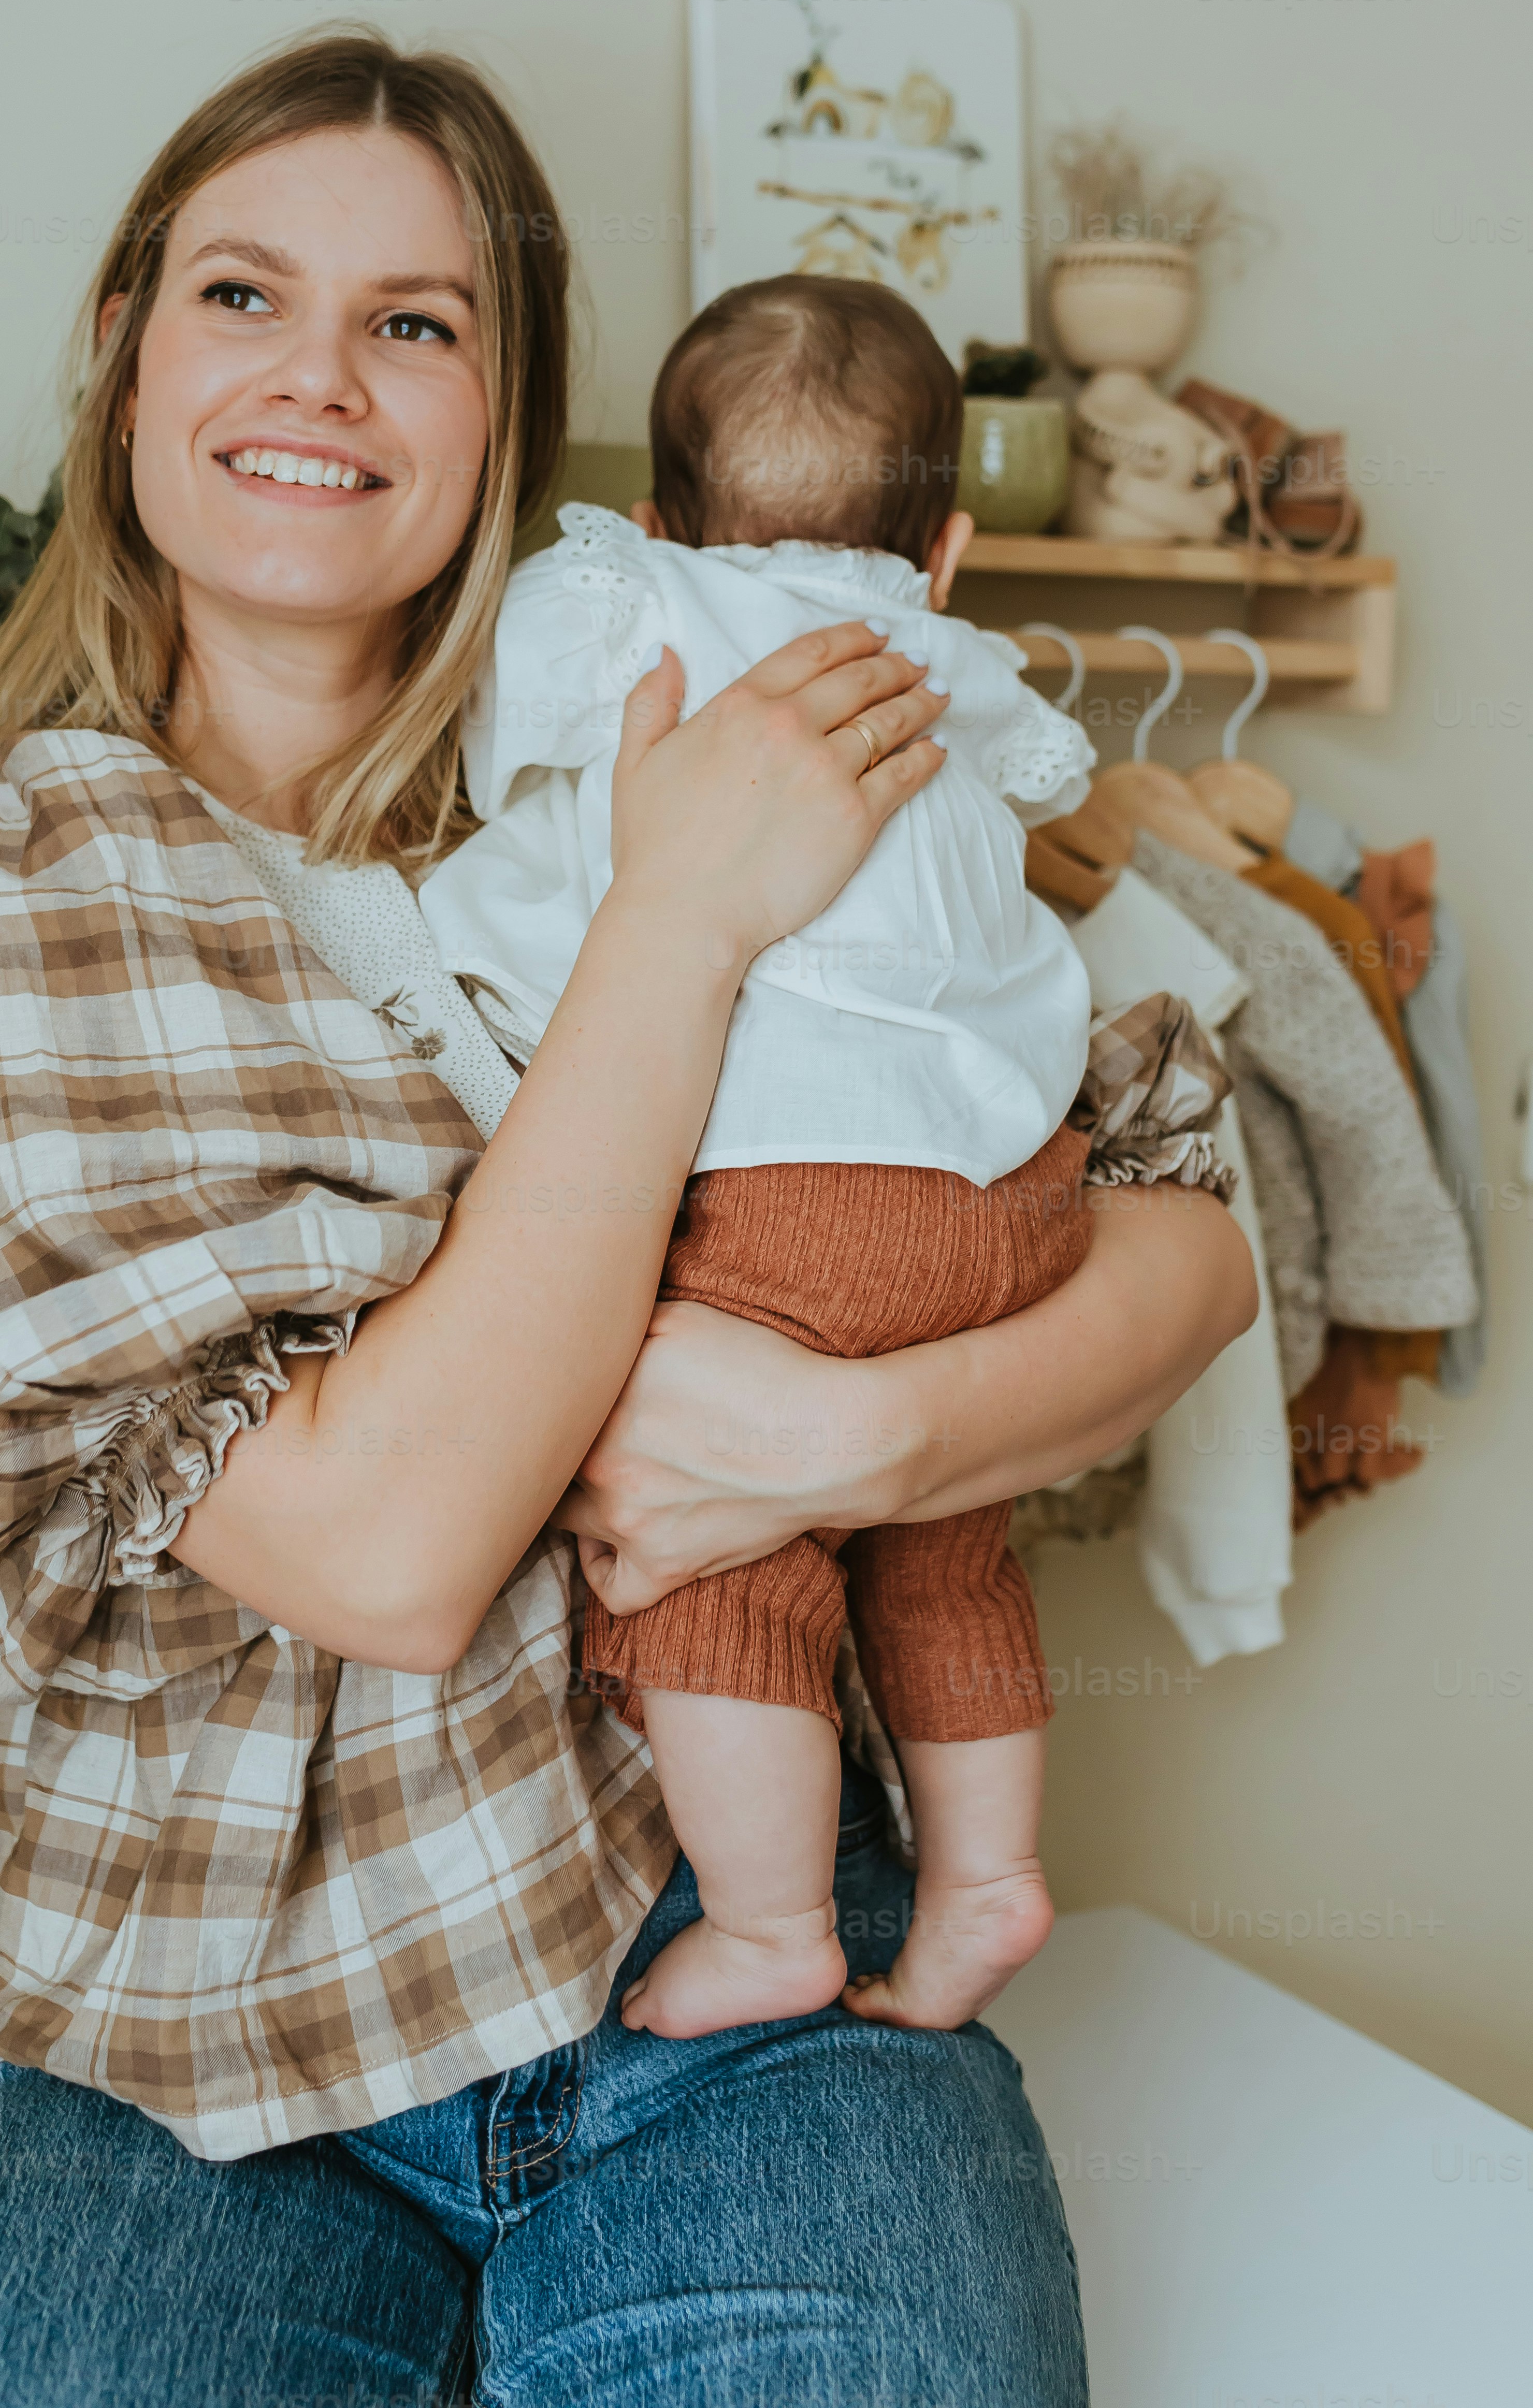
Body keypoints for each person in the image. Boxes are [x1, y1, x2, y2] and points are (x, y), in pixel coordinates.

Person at [0, 32, 1255, 2405]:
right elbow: (388, 1555)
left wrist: (870, 1442)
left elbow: (1186, 1209)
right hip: (177, 2035)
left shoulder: (662, 708)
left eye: (414, 323)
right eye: (241, 295)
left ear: (507, 419)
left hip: (729, 1950)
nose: (318, 378)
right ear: (126, 358)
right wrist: (678, 922)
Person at [422, 274, 1233, 2043]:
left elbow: (491, 728)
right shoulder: (951, 661)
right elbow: (1036, 777)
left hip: (790, 1198)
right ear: (946, 549)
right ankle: (988, 1880)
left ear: (656, 521)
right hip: (1012, 1195)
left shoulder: (636, 599)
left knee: (733, 1560)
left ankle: (773, 1922)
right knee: (945, 1542)